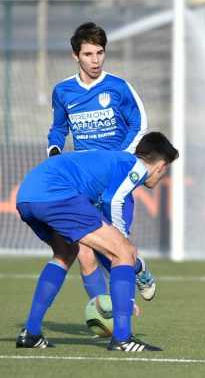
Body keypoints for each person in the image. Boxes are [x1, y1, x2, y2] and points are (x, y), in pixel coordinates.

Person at [15, 132, 178, 351]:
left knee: (65, 253)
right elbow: (114, 200)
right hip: (55, 193)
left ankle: (31, 332)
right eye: (166, 170)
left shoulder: (114, 161)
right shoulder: (134, 166)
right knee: (124, 250)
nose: (163, 176)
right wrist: (122, 245)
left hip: (27, 195)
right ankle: (122, 338)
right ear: (161, 165)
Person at [47, 22, 155, 302]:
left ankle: (138, 267)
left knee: (116, 249)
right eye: (88, 54)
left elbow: (139, 123)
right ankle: (107, 316)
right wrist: (55, 150)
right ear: (75, 56)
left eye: (100, 53)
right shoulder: (63, 91)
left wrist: (120, 157)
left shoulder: (118, 87)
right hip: (83, 180)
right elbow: (59, 128)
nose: (95, 60)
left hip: (115, 179)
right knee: (84, 251)